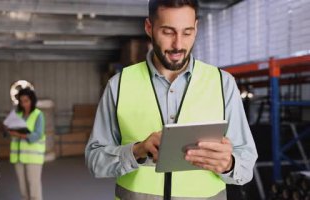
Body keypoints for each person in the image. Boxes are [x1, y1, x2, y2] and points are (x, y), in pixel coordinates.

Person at [85, 0, 258, 199]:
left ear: (196, 28)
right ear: (149, 27)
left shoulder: (222, 83)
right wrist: (137, 151)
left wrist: (228, 164)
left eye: (187, 33)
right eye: (168, 32)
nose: (178, 45)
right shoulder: (119, 85)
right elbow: (94, 161)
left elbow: (246, 166)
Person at [8, 88, 45, 200]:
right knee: (24, 191)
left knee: (34, 191)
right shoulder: (17, 114)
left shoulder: (38, 115)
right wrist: (8, 130)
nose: (24, 104)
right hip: (18, 157)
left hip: (33, 158)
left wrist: (19, 134)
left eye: (26, 101)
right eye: (21, 101)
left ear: (32, 101)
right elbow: (9, 131)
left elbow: (37, 134)